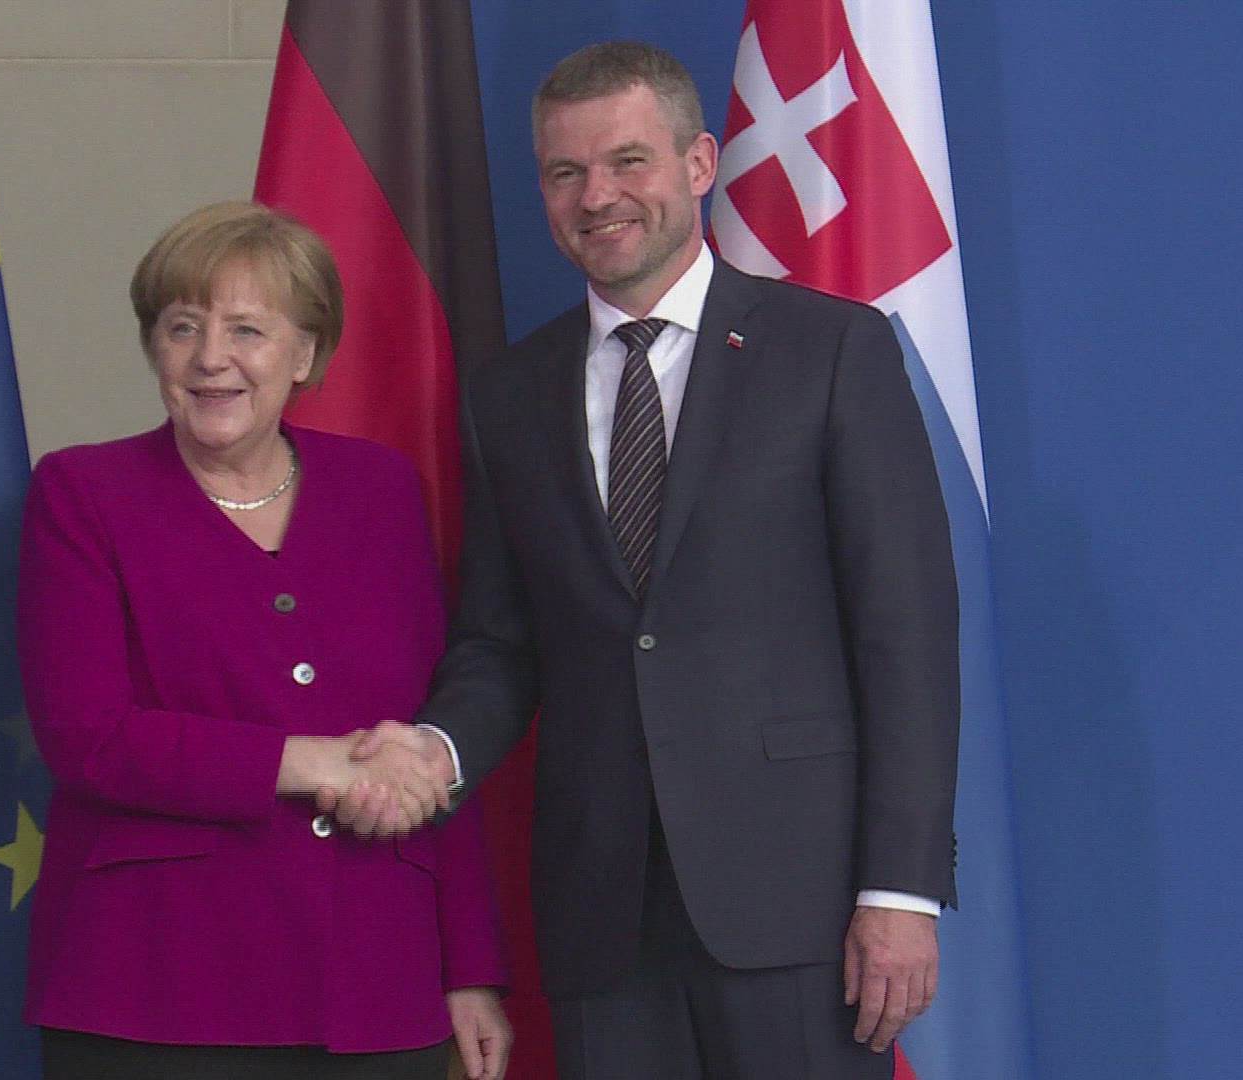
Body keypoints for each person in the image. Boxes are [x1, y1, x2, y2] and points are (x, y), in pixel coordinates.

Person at [329, 41, 959, 1079]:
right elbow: (501, 644)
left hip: (798, 908)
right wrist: (433, 752)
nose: (597, 197)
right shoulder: (507, 395)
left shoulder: (831, 352)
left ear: (699, 163)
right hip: (603, 915)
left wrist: (898, 890)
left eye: (628, 161)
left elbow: (907, 637)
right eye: (565, 172)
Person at [16, 201, 510, 1080]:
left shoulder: (381, 491)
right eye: (183, 327)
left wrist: (468, 968)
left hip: (377, 984)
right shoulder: (83, 493)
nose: (212, 357)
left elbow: (428, 734)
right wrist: (312, 762)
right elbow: (87, 738)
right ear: (154, 347)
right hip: (156, 986)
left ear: (305, 354)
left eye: (247, 329)